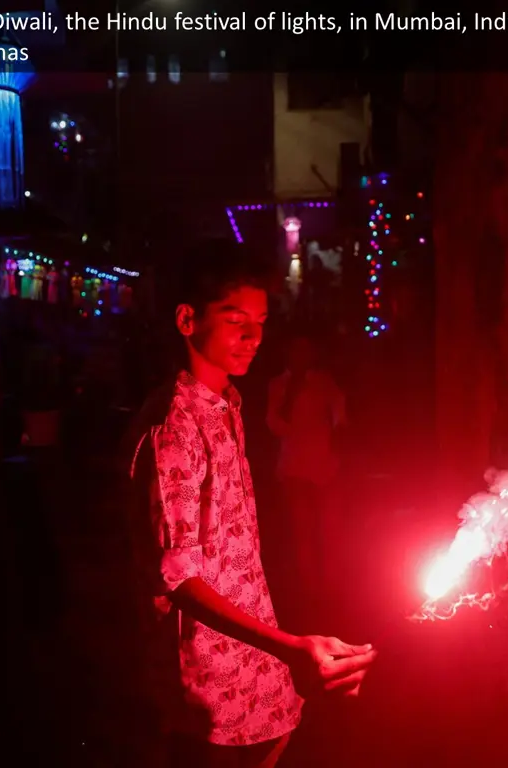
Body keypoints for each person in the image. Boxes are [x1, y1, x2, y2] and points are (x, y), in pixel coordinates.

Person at [128, 247, 375, 768]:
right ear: (187, 319)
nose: (254, 338)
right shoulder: (174, 426)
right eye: (236, 321)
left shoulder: (228, 405)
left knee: (275, 743)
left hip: (250, 645)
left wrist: (279, 647)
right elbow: (178, 577)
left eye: (261, 323)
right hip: (204, 663)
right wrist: (290, 647)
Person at [266, 333, 346, 599]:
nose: (301, 356)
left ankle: (332, 586)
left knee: (329, 528)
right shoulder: (278, 385)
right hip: (294, 467)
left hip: (324, 465)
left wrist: (335, 438)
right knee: (303, 531)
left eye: (306, 350)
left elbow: (340, 415)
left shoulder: (324, 382)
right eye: (296, 350)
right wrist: (291, 397)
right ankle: (310, 589)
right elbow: (275, 424)